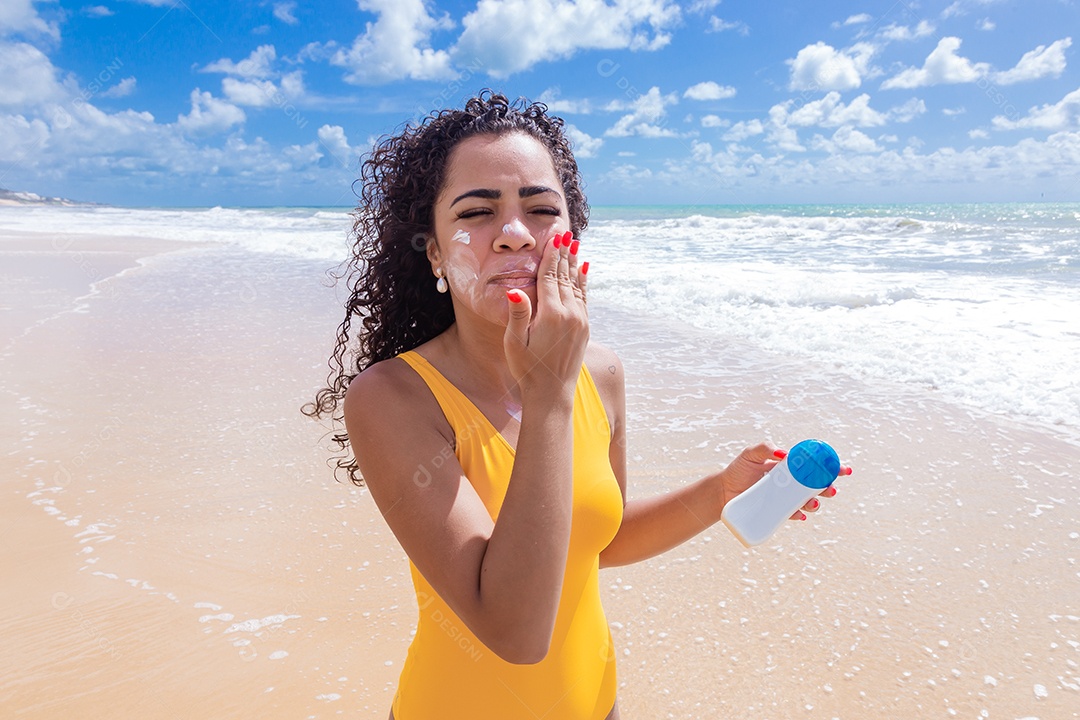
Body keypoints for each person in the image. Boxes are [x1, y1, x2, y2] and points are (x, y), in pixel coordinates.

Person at [304, 90, 849, 720]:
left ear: (570, 237)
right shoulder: (393, 397)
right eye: (478, 212)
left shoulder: (602, 372)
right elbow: (514, 632)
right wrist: (550, 394)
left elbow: (600, 540)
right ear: (434, 253)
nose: (513, 235)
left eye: (540, 209)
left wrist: (718, 491)